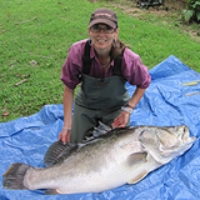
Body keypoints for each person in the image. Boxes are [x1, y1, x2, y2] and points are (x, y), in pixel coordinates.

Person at [59, 8, 151, 144]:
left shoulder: (128, 58)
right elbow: (69, 88)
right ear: (89, 31)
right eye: (96, 28)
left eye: (107, 29)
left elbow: (143, 83)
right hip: (86, 106)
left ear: (116, 33)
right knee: (74, 146)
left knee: (116, 147)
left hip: (115, 108)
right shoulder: (77, 52)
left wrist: (128, 109)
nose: (101, 34)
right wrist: (67, 125)